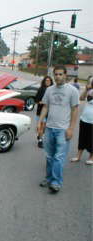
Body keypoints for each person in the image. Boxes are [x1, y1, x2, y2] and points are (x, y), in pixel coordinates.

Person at [37, 65, 79, 193]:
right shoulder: (49, 90)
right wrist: (40, 123)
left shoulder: (72, 91)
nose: (58, 77)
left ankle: (56, 182)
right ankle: (48, 178)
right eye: (56, 74)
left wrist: (71, 128)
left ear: (65, 75)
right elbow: (45, 107)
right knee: (49, 156)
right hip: (49, 128)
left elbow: (74, 110)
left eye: (61, 74)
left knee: (59, 157)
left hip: (63, 129)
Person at [70, 76, 93, 165]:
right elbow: (81, 98)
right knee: (82, 138)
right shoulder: (89, 91)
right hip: (84, 118)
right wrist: (86, 90)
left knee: (91, 139)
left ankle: (91, 157)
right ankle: (78, 156)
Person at [34, 76, 53, 148]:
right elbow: (36, 100)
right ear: (44, 81)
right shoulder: (41, 89)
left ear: (51, 82)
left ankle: (39, 136)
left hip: (49, 112)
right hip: (40, 111)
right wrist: (41, 102)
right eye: (46, 81)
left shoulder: (53, 90)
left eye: (49, 81)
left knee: (44, 128)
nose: (48, 82)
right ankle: (40, 141)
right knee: (42, 126)